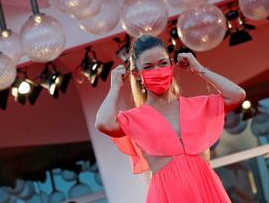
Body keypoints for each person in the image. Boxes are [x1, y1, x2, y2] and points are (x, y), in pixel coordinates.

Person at [95, 34, 246, 203]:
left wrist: (198, 68)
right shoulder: (136, 119)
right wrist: (115, 86)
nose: (157, 71)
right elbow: (103, 123)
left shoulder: (197, 106)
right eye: (148, 67)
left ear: (171, 65)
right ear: (137, 74)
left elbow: (237, 95)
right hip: (166, 196)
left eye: (163, 63)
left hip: (208, 193)